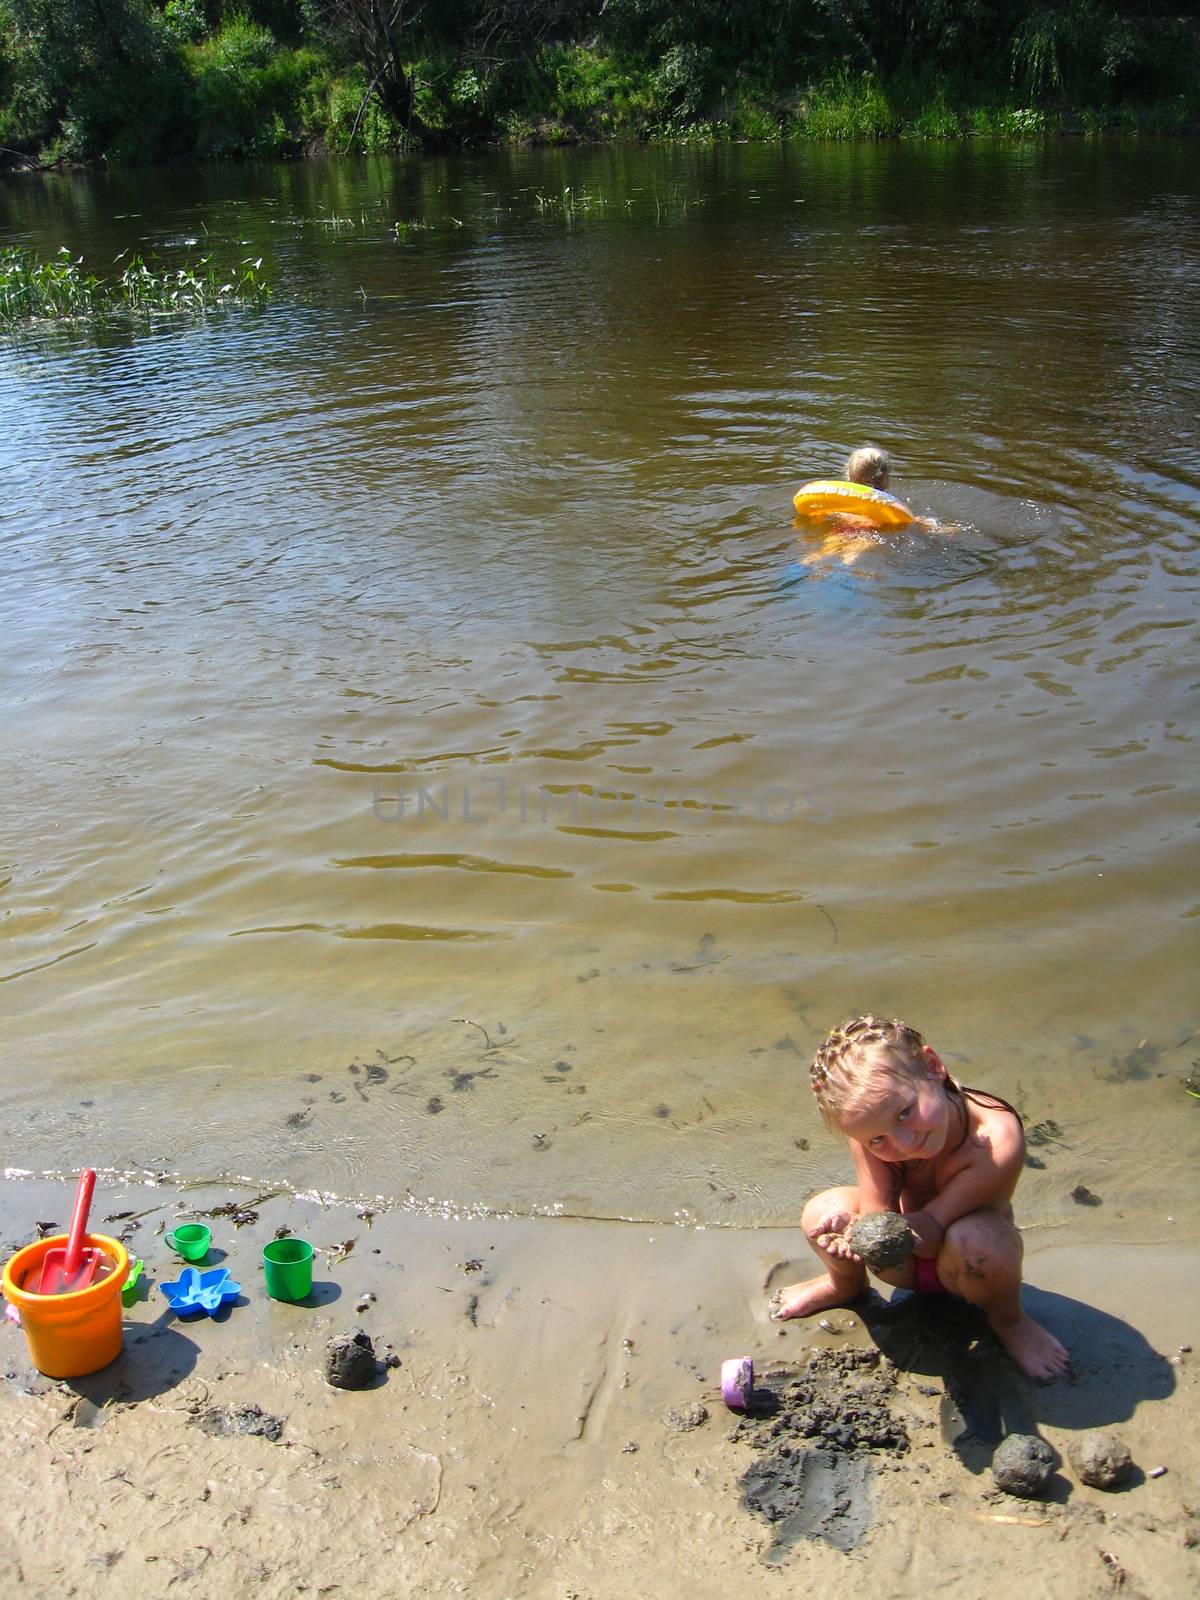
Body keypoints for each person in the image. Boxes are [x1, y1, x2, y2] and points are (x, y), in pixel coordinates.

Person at [768, 1014, 1071, 1383]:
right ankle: (844, 1285)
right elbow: (878, 1211)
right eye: (877, 1140)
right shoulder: (870, 1129)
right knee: (820, 1214)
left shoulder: (995, 1140)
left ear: (933, 1066)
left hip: (969, 1267)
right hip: (902, 1263)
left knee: (980, 1240)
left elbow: (931, 1235)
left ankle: (1010, 1322)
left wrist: (874, 1232)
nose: (906, 1144)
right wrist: (856, 1232)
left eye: (905, 1113)